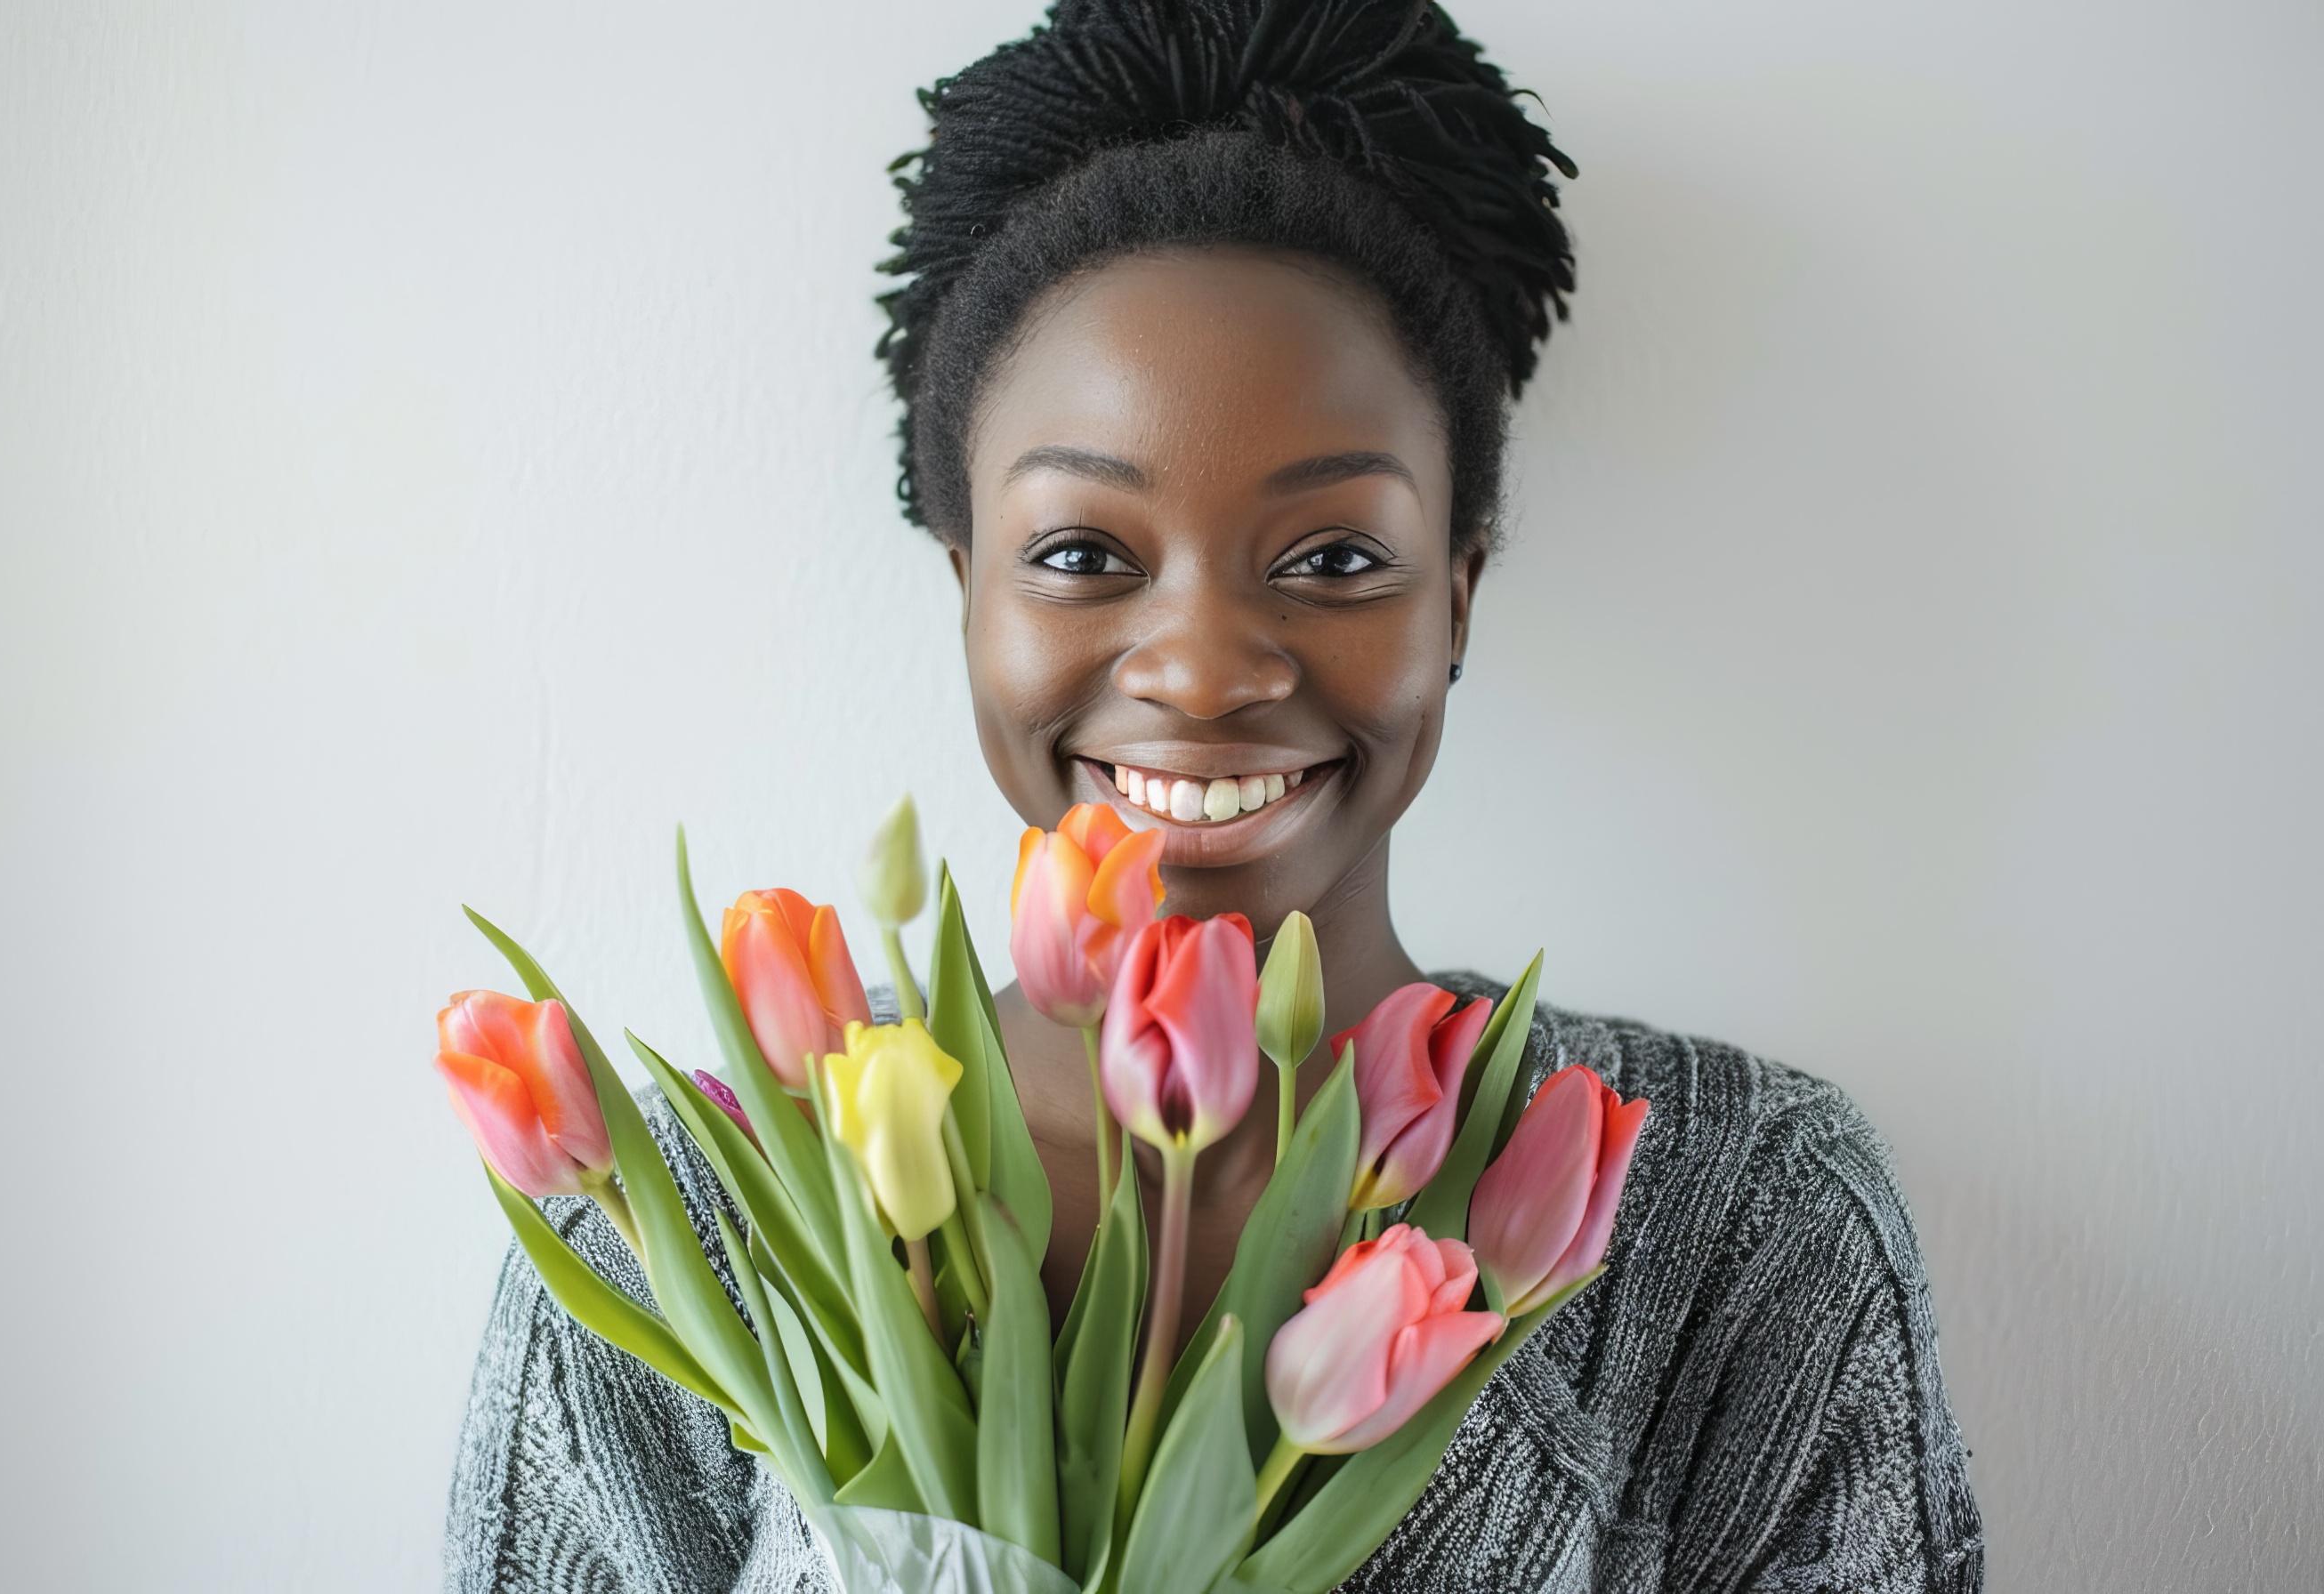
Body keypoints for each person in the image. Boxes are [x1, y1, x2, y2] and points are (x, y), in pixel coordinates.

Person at [446, 3, 1985, 1589]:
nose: (1197, 670)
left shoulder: (1747, 1226)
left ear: (1455, 600)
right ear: (965, 588)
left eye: (1334, 558)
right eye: (1079, 556)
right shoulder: (681, 1216)